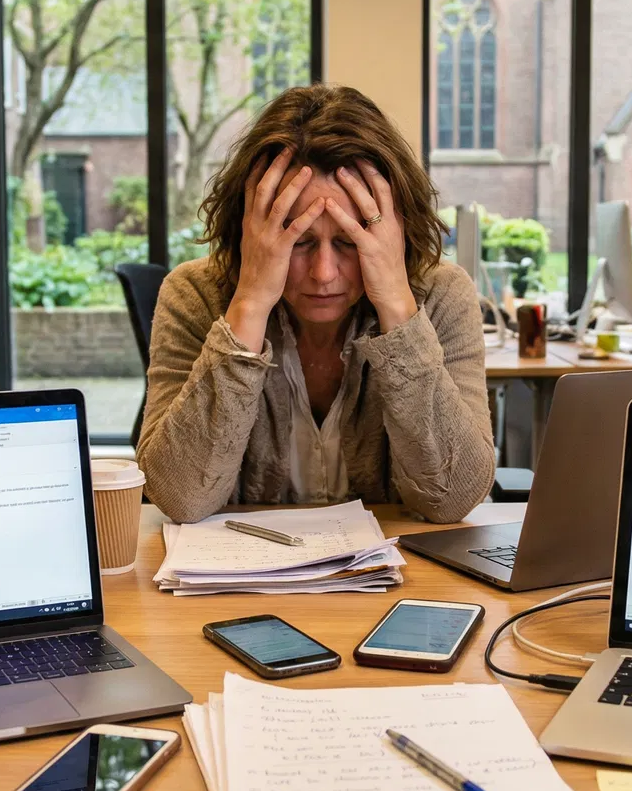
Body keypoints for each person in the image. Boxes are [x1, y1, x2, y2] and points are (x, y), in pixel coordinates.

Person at [136, 84, 496, 524]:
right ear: (248, 231)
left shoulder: (441, 294)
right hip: (243, 585)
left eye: (349, 242)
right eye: (298, 241)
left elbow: (454, 499)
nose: (324, 273)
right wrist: (248, 304)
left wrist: (400, 311)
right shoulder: (194, 294)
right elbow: (180, 498)